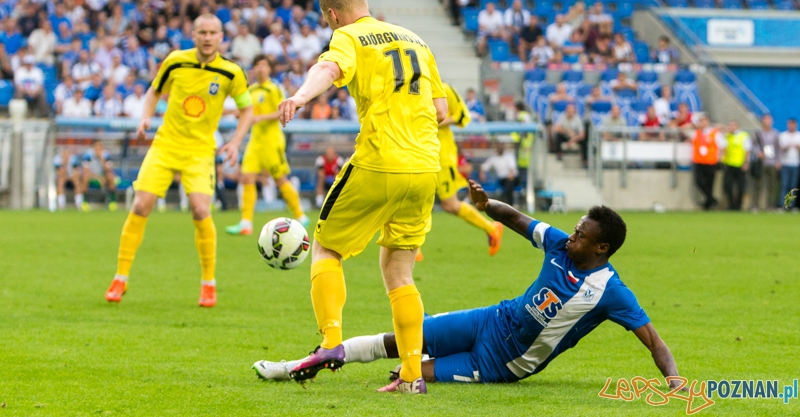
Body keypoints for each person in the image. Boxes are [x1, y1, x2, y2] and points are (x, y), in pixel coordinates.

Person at [254, 180, 685, 393]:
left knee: (407, 374)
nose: (571, 236)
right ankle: (307, 361)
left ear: (602, 247)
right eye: (574, 229)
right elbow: (517, 219)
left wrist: (674, 381)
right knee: (402, 339)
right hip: (491, 320)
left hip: (503, 363)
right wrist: (487, 205)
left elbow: (654, 341)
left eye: (581, 235)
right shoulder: (558, 244)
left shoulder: (611, 291)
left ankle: (399, 371)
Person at [275, 0, 448, 394]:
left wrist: (300, 97)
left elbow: (328, 68)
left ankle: (331, 343)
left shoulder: (349, 36)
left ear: (333, 15)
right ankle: (411, 376)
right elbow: (441, 110)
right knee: (399, 271)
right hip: (426, 167)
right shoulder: (416, 40)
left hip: (380, 159)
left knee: (326, 248)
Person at [104, 14, 254, 308]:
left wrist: (236, 142)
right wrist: (145, 116)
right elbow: (154, 91)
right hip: (165, 145)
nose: (207, 37)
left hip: (200, 151)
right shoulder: (175, 61)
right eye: (202, 32)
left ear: (221, 37)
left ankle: (208, 283)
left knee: (200, 209)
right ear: (193, 35)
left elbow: (247, 110)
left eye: (212, 33)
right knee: (140, 205)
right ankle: (120, 277)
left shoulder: (231, 72)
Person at [225, 55, 308, 236]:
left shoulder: (273, 89)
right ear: (253, 69)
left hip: (272, 141)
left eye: (264, 65)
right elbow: (246, 111)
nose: (261, 68)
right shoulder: (251, 90)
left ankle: (301, 216)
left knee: (280, 180)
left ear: (269, 69)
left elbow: (282, 111)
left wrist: (260, 117)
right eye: (257, 65)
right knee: (247, 178)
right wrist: (239, 114)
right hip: (255, 142)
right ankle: (246, 223)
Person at [429, 82, 503, 260]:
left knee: (450, 205)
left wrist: (433, 121)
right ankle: (412, 251)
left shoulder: (443, 89)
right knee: (415, 199)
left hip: (441, 156)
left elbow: (462, 115)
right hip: (420, 154)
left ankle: (491, 228)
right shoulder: (409, 87)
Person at [691, 115, 726, 211]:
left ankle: (708, 204)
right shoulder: (696, 132)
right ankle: (712, 200)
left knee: (710, 183)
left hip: (711, 162)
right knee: (698, 181)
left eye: (705, 121)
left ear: (708, 122)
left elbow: (723, 146)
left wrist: (720, 158)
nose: (703, 123)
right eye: (701, 121)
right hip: (699, 161)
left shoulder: (714, 133)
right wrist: (693, 125)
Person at [750, 114, 780, 211]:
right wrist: (758, 153)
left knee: (772, 185)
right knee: (758, 184)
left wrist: (778, 161)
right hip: (761, 162)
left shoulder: (775, 133)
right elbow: (753, 145)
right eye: (765, 120)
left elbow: (778, 148)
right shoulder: (758, 133)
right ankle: (755, 205)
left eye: (769, 120)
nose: (767, 122)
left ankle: (770, 205)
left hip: (772, 162)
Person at [79, 141, 119, 212]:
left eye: (100, 146)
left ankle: (112, 202)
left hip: (103, 176)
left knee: (110, 176)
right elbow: (86, 171)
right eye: (97, 147)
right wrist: (98, 178)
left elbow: (109, 170)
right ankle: (85, 202)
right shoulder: (88, 155)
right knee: (85, 177)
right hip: (92, 176)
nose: (98, 149)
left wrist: (101, 159)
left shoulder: (106, 154)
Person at [721, 120, 751, 211]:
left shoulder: (743, 136)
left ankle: (738, 205)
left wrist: (746, 162)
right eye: (730, 125)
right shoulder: (727, 136)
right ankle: (731, 204)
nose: (732, 127)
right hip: (729, 164)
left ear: (737, 126)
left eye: (734, 125)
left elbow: (747, 150)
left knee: (741, 187)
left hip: (740, 164)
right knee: (727, 186)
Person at [779, 118, 800, 211]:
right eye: (790, 124)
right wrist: (786, 147)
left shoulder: (798, 135)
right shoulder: (783, 135)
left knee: (793, 186)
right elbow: (779, 150)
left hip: (795, 163)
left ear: (796, 125)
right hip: (785, 163)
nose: (791, 126)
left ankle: (792, 206)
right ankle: (783, 205)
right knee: (784, 185)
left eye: (793, 124)